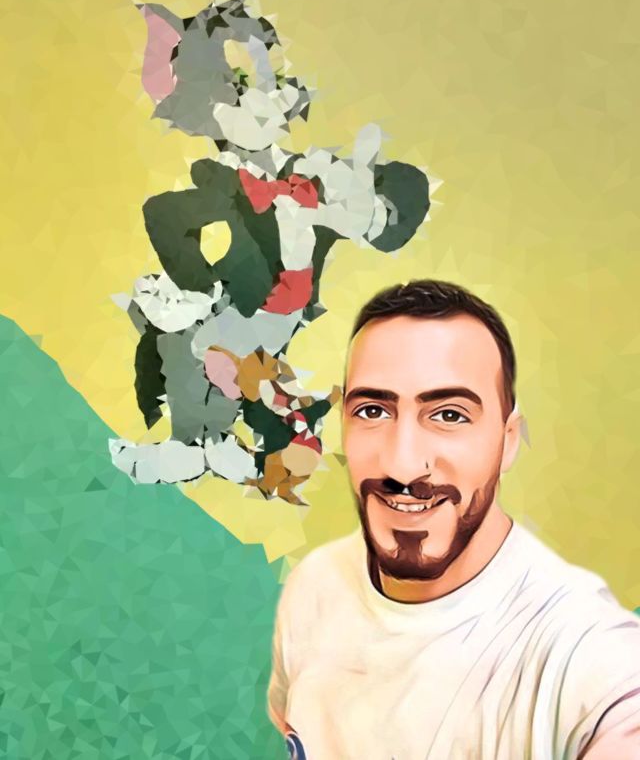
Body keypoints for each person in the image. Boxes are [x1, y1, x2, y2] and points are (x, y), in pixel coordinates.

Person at [267, 279, 640, 759]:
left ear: (507, 441)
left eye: (449, 415)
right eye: (373, 410)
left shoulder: (586, 656)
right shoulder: (313, 588)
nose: (403, 466)